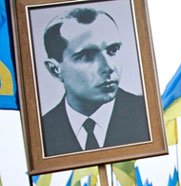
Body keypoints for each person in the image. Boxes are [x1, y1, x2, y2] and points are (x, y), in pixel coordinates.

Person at [41, 7, 149, 156]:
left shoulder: (146, 115)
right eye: (86, 56)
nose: (108, 67)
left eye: (113, 50)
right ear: (55, 69)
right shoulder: (43, 133)